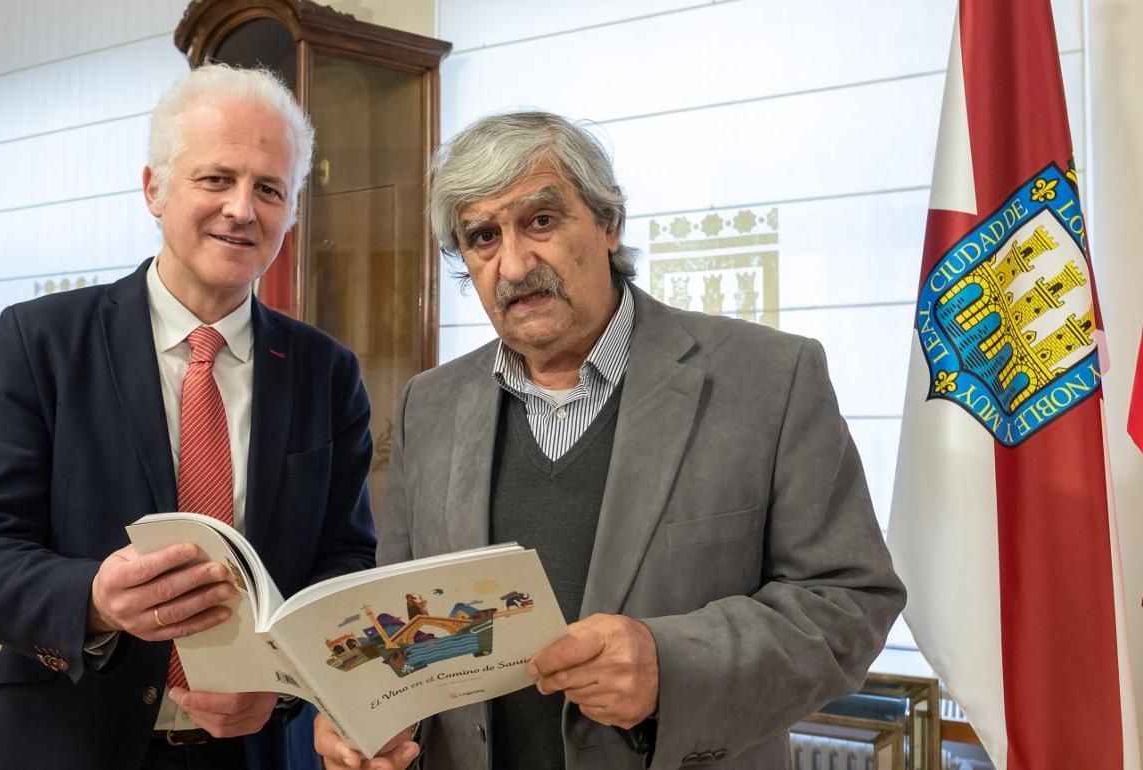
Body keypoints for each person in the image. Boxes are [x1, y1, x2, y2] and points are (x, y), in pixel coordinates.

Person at [313, 111, 906, 770]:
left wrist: (672, 666)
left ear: (608, 223)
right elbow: (402, 621)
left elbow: (849, 603)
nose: (514, 264)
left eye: (541, 221)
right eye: (483, 236)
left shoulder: (768, 379)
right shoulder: (432, 403)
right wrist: (364, 713)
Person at [0, 64, 377, 770]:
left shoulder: (328, 372)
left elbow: (344, 567)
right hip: (66, 742)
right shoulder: (39, 342)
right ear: (154, 189)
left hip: (256, 749)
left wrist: (284, 688)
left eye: (269, 189)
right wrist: (94, 601)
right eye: (215, 178)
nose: (241, 208)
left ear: (292, 211)